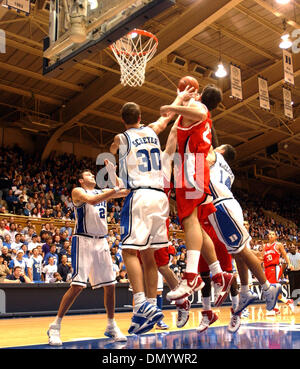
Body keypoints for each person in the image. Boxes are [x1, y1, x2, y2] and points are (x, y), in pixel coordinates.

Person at [109, 92, 188, 335]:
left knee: (129, 251)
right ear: (140, 117)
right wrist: (181, 99)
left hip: (140, 195)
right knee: (150, 257)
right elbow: (166, 118)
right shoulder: (153, 130)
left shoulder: (121, 137)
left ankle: (141, 300)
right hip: (161, 199)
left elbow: (111, 150)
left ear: (123, 120)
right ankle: (149, 309)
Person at [160, 82, 233, 305]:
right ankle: (218, 273)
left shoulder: (200, 110)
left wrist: (175, 106)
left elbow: (192, 112)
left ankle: (191, 277)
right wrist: (180, 99)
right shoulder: (195, 113)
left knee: (189, 220)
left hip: (191, 166)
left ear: (201, 96)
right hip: (191, 166)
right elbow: (173, 127)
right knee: (197, 226)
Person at [200, 145, 283, 327]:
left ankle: (268, 288)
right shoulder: (228, 171)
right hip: (228, 204)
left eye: (217, 146)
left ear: (221, 151)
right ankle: (245, 291)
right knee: (238, 252)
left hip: (221, 206)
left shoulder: (214, 156)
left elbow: (205, 146)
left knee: (243, 252)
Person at [47, 169, 128, 345]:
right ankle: (55, 326)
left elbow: (126, 190)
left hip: (102, 241)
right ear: (81, 181)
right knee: (77, 286)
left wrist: (113, 174)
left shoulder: (102, 192)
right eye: (88, 175)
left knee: (110, 285)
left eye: (93, 174)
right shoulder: (78, 191)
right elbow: (93, 200)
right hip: (83, 240)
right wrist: (114, 188)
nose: (92, 176)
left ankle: (111, 325)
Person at [259, 230, 294, 315]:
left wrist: (289, 264)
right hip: (266, 269)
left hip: (275, 267)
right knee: (270, 289)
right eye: (269, 234)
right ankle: (285, 302)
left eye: (272, 234)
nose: (270, 235)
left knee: (272, 288)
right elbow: (261, 258)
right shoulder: (265, 246)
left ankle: (273, 308)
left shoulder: (278, 245)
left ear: (276, 236)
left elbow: (285, 255)